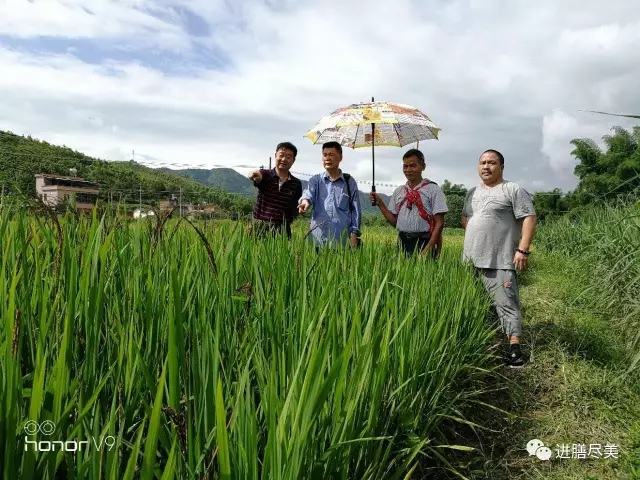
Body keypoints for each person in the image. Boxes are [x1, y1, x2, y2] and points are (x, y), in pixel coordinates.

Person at [461, 149, 537, 368]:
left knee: (506, 303)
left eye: (491, 162)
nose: (486, 166)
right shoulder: (472, 192)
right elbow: (466, 219)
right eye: (482, 162)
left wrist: (522, 249)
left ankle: (514, 350)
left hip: (499, 259)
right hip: (470, 261)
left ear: (501, 167)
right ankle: (482, 343)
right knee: (474, 303)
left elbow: (529, 218)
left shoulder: (512, 190)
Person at [369, 149, 448, 258]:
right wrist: (380, 203)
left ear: (423, 166)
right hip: (403, 242)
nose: (408, 170)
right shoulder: (399, 191)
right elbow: (394, 222)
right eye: (405, 166)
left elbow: (439, 224)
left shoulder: (433, 190)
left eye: (413, 166)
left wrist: (427, 250)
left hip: (425, 241)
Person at [298, 141, 361, 249]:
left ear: (340, 157)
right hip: (317, 241)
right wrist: (305, 202)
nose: (327, 158)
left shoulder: (349, 182)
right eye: (325, 155)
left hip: (341, 241)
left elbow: (356, 211)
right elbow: (308, 195)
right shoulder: (316, 180)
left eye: (331, 154)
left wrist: (354, 233)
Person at [248, 142, 303, 239]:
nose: (284, 159)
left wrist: (300, 209)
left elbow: (295, 207)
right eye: (281, 155)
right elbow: (257, 175)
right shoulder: (266, 175)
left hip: (282, 229)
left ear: (293, 160)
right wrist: (253, 174)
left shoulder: (296, 183)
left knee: (280, 254)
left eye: (288, 157)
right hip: (259, 226)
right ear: (275, 156)